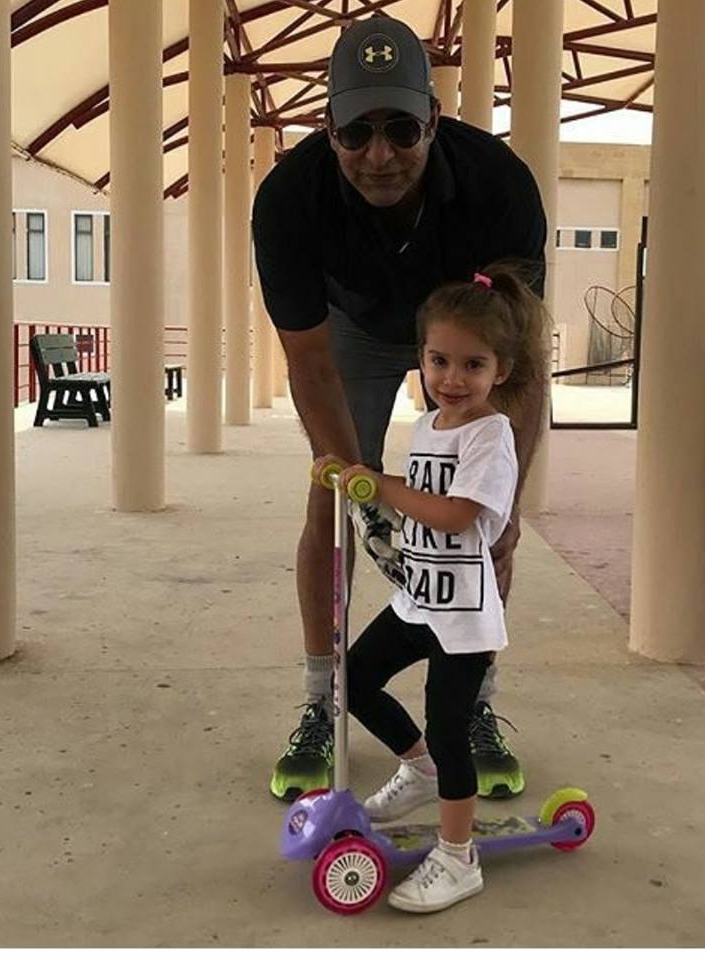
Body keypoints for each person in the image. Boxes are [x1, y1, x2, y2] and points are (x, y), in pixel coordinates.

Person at [253, 15, 548, 802]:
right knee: (329, 508)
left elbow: (523, 360)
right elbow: (308, 357)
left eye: (401, 128)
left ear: (434, 120)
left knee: (492, 526)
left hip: (466, 343)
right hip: (351, 335)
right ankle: (323, 703)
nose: (380, 154)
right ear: (328, 129)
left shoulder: (499, 185)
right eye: (356, 132)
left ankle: (475, 706)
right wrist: (353, 477)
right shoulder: (288, 198)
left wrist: (504, 493)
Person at [315, 260, 547, 913]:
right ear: (421, 357)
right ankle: (418, 770)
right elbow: (409, 511)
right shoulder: (427, 427)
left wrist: (380, 482)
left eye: (472, 365)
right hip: (418, 596)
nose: (452, 378)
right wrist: (353, 481)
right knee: (353, 678)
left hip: (465, 613)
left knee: (452, 726)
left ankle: (457, 856)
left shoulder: (491, 436)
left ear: (500, 370)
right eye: (439, 360)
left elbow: (454, 513)